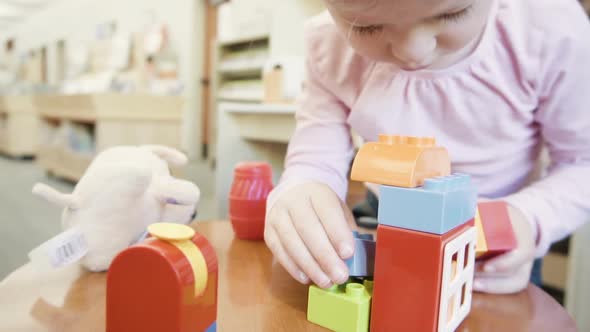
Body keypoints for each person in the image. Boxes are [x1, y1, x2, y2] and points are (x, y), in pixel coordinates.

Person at [263, 0, 590, 294]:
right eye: (367, 26)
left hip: (500, 237)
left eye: (452, 12)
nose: (413, 51)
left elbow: (581, 163)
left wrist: (530, 218)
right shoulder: (327, 44)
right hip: (388, 216)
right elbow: (315, 159)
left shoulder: (550, 28)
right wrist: (301, 188)